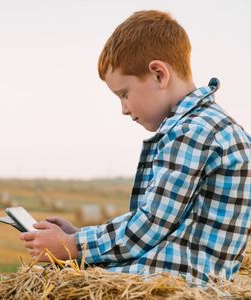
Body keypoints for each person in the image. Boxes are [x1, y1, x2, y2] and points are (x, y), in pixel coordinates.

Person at [20, 10, 251, 286]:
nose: (124, 109)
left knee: (56, 280)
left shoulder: (191, 132)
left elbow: (149, 226)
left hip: (174, 282)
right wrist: (80, 236)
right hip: (180, 278)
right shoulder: (210, 126)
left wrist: (73, 246)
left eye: (124, 94)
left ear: (158, 74)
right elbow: (161, 225)